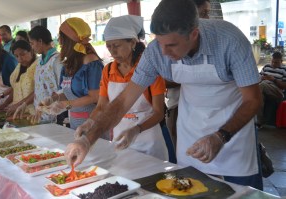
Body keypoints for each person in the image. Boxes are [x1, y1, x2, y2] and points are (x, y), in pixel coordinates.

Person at [65, 0, 263, 190]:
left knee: (243, 193)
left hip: (233, 133)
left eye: (172, 45)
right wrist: (87, 140)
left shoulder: (230, 41)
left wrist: (221, 136)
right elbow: (124, 100)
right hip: (191, 132)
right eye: (159, 43)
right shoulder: (156, 52)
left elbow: (253, 100)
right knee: (190, 190)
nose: (164, 52)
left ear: (193, 34)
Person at [76, 15, 168, 160]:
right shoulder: (108, 71)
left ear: (132, 42)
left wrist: (137, 129)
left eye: (117, 46)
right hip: (120, 138)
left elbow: (158, 113)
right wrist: (89, 122)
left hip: (149, 141)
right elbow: (101, 107)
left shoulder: (149, 69)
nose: (112, 52)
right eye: (109, 46)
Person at [38, 17, 103, 130]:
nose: (59, 40)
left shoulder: (91, 62)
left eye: (60, 36)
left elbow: (95, 97)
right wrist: (54, 98)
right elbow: (69, 93)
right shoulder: (69, 63)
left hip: (93, 123)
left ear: (69, 39)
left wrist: (64, 104)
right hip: (74, 122)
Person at [165, 0, 211, 149]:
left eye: (207, 13)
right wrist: (190, 78)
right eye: (203, 14)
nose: (207, 18)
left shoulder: (215, 44)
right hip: (178, 106)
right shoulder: (168, 43)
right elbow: (160, 80)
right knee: (184, 148)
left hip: (208, 112)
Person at [12, 26, 62, 124]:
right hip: (40, 114)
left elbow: (63, 89)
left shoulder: (57, 60)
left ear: (40, 41)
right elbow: (39, 88)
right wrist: (24, 104)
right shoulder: (40, 61)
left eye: (32, 43)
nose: (32, 47)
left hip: (54, 113)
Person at [5, 40, 37, 117]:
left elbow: (39, 90)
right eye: (16, 56)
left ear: (31, 52)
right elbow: (15, 88)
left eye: (22, 54)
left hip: (34, 112)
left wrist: (19, 105)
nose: (19, 59)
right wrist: (5, 103)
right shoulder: (19, 67)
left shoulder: (38, 66)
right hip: (18, 112)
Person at [257, 52, 286, 127]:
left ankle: (260, 121)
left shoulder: (284, 69)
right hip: (263, 87)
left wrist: (274, 80)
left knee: (261, 86)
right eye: (272, 61)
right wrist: (261, 78)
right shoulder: (266, 66)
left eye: (276, 62)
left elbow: (284, 86)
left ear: (281, 61)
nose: (273, 64)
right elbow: (258, 78)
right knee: (258, 92)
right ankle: (258, 120)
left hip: (277, 91)